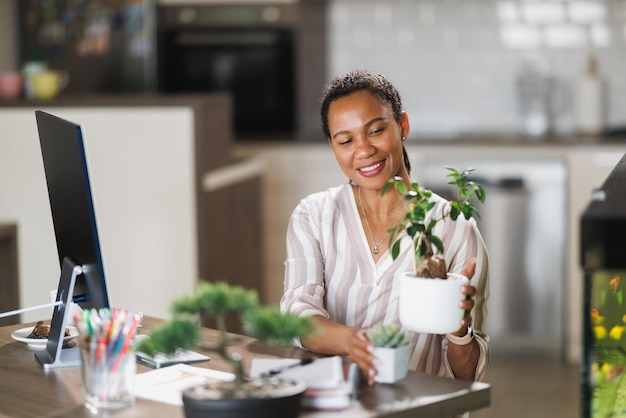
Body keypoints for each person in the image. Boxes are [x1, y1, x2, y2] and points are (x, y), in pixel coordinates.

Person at [280, 69, 490, 385]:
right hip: (337, 403)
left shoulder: (454, 227)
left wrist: (459, 329)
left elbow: (466, 376)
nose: (363, 150)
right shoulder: (314, 216)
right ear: (333, 146)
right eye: (346, 140)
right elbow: (298, 316)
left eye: (376, 130)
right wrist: (354, 342)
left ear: (402, 125)